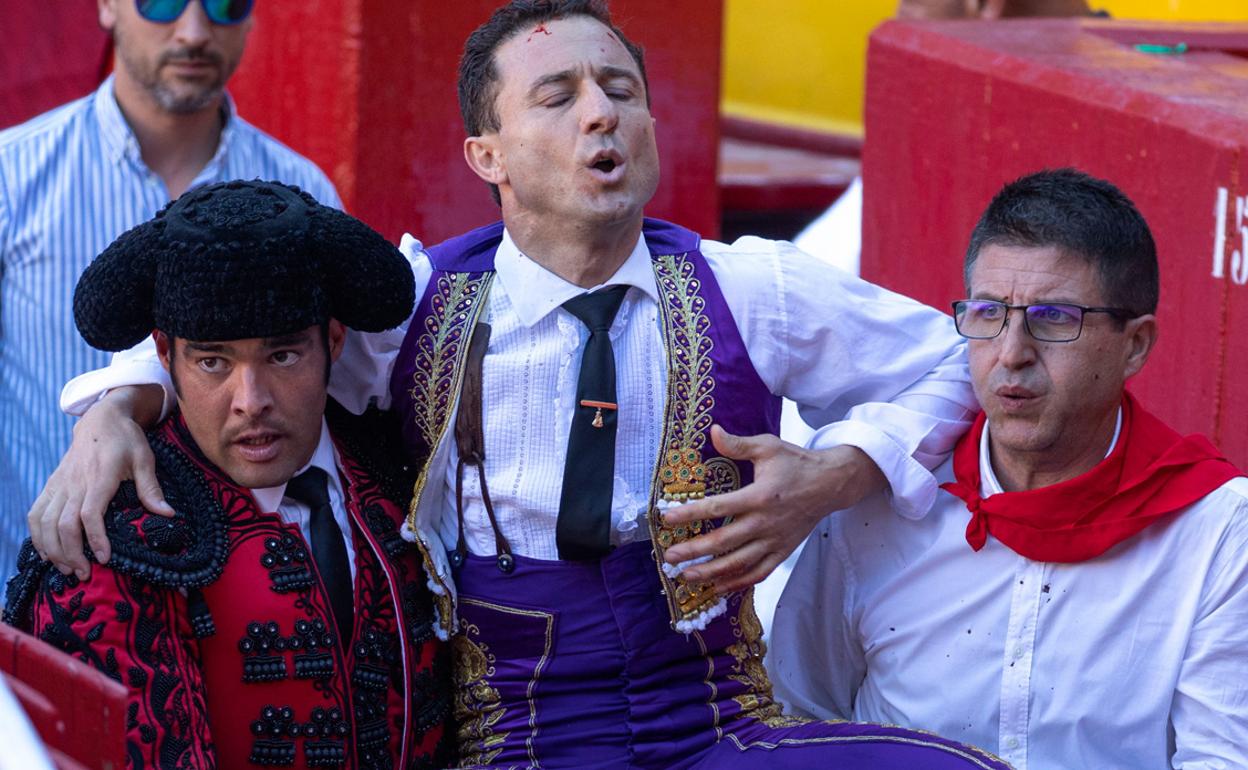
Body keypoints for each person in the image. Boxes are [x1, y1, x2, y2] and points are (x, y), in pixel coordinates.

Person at [36, 3, 1012, 767]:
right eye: (557, 96)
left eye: (621, 89)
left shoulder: (752, 286)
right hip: (517, 739)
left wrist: (836, 475)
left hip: (717, 727)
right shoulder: (417, 305)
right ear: (486, 155)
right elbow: (245, 325)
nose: (602, 113)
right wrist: (118, 406)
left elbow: (953, 359)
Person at [769, 169, 1248, 769]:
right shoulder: (880, 499)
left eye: (1054, 318)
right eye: (988, 312)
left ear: (1135, 345)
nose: (1011, 353)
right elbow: (801, 722)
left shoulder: (1218, 530)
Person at [4, 181, 452, 770]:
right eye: (213, 362)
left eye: (283, 356)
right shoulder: (116, 540)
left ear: (334, 341)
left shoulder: (401, 469)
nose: (251, 401)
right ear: (165, 356)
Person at [0, 0, 340, 580]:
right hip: (31, 590)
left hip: (244, 599)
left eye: (225, 5)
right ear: (107, 5)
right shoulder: (12, 178)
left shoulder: (300, 192)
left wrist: (122, 403)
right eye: (161, 3)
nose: (194, 31)